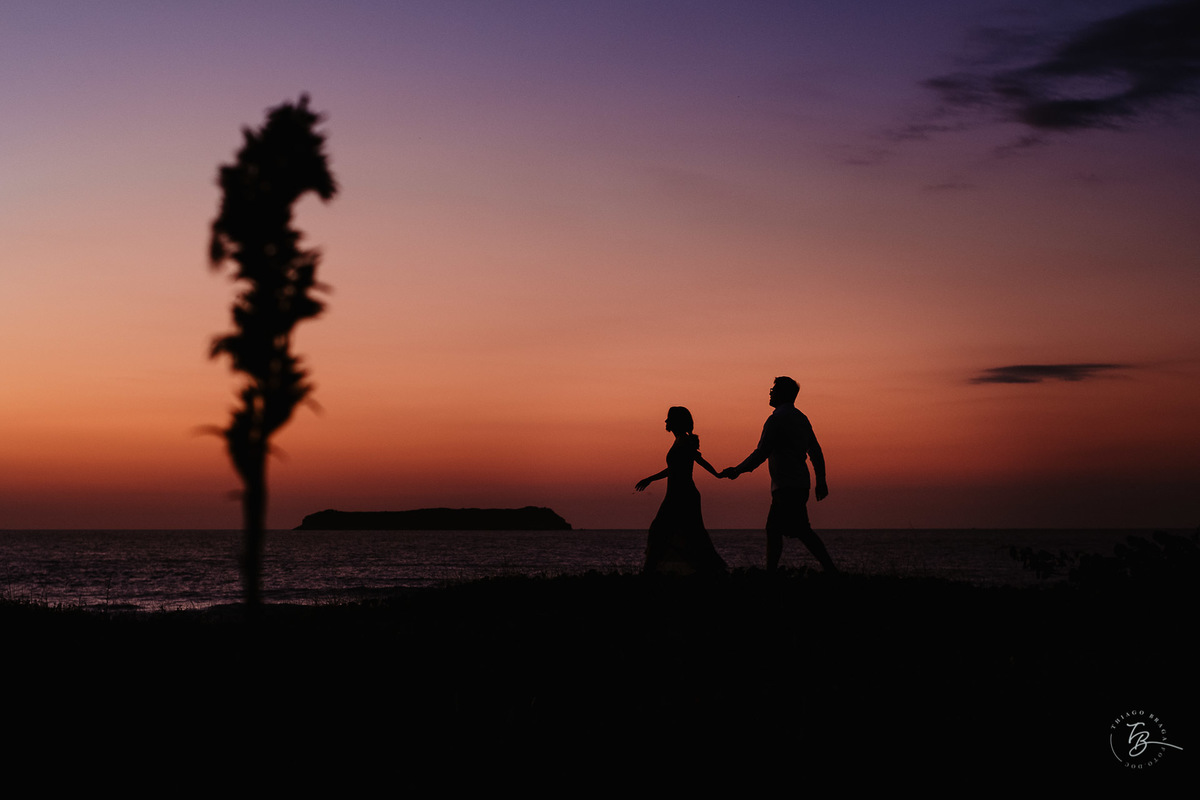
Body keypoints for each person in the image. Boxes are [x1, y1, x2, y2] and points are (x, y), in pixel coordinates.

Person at [721, 377, 836, 572]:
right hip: (799, 484)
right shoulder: (802, 418)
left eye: (773, 389)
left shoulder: (776, 420)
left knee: (793, 530)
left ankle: (826, 570)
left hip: (786, 486)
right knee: (786, 529)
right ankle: (778, 571)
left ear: (782, 393)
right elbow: (815, 452)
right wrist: (821, 481)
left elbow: (761, 452)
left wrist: (737, 470)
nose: (770, 392)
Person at [635, 406, 728, 575]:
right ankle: (659, 570)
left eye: (668, 418)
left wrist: (717, 474)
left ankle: (651, 572)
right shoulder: (679, 441)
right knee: (681, 533)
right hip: (676, 494)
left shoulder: (684, 441)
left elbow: (698, 460)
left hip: (683, 495)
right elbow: (673, 468)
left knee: (671, 532)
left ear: (676, 422)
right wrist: (650, 479)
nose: (665, 421)